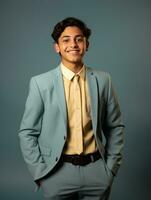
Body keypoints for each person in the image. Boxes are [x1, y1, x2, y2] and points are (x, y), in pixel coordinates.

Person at [19, 17, 124, 200]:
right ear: (57, 47)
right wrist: (41, 174)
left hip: (97, 171)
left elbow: (115, 126)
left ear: (86, 44)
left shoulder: (103, 79)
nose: (73, 44)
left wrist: (111, 169)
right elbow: (27, 132)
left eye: (79, 39)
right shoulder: (40, 83)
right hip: (57, 172)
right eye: (66, 39)